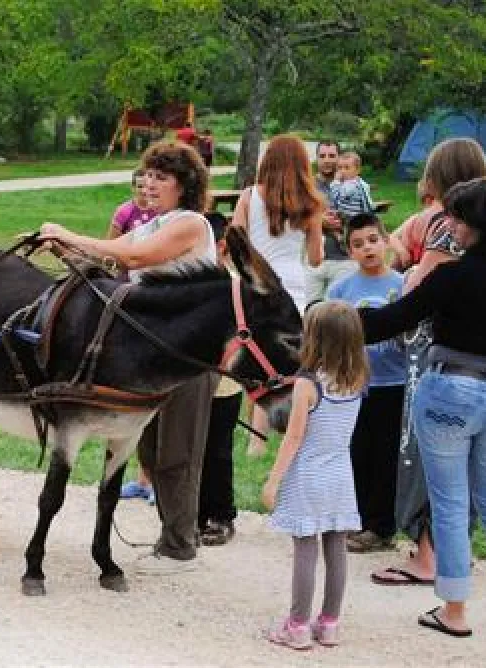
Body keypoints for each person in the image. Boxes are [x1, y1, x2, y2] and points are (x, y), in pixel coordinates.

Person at [359, 176, 486, 639]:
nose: (449, 224)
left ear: (476, 224)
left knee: (450, 505)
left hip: (450, 390)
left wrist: (330, 318)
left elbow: (392, 321)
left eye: (456, 217)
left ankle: (454, 613)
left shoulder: (451, 276)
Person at [39, 140, 217, 574]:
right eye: (147, 175)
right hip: (156, 354)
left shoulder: (191, 224)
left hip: (190, 355)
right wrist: (63, 248)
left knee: (178, 450)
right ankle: (171, 536)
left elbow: (136, 257)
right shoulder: (154, 225)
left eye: (161, 177)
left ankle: (180, 544)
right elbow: (110, 252)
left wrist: (68, 232)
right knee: (152, 451)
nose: (149, 183)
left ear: (184, 184)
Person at [370, 137, 486, 587]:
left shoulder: (446, 228)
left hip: (431, 354)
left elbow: (418, 286)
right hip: (479, 355)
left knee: (424, 451)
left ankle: (427, 557)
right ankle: (452, 550)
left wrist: (403, 278)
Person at [261, 301, 368, 650]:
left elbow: (293, 438)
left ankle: (296, 626)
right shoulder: (357, 378)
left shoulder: (307, 385)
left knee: (305, 551)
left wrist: (274, 480)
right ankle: (329, 623)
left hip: (308, 473)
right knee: (336, 549)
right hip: (341, 473)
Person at [230, 134, 325, 454]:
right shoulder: (311, 204)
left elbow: (236, 242)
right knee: (289, 363)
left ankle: (255, 441)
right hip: (293, 287)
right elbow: (316, 258)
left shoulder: (248, 197)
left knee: (258, 357)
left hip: (256, 283)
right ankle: (292, 432)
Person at [327, 214, 406, 553]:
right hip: (354, 385)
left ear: (386, 241)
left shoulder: (403, 285)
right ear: (349, 251)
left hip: (394, 383)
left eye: (373, 240)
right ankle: (354, 519)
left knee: (386, 456)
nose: (368, 248)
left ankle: (380, 525)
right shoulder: (341, 290)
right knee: (356, 452)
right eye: (358, 244)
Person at [111, 169, 157, 505]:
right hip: (128, 294)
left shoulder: (164, 219)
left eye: (149, 185)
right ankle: (142, 478)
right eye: (139, 185)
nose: (145, 191)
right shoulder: (125, 213)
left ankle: (151, 479)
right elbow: (113, 248)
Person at [198, 212, 242, 546]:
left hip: (224, 383)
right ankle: (193, 514)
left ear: (221, 246)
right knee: (191, 448)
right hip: (192, 381)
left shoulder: (233, 285)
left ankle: (221, 514)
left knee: (217, 450)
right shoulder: (193, 283)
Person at [305, 140, 357, 305]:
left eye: (332, 156)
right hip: (312, 260)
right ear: (316, 159)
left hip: (345, 260)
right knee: (308, 311)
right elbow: (294, 218)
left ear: (339, 157)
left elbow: (364, 218)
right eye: (322, 156)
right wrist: (319, 221)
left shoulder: (353, 185)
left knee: (338, 314)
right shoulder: (307, 186)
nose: (327, 160)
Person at [331, 151, 375, 219]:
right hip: (351, 216)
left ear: (357, 170)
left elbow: (337, 195)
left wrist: (335, 181)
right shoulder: (358, 182)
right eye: (339, 168)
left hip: (352, 218)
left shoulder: (351, 184)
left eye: (346, 168)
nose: (342, 171)